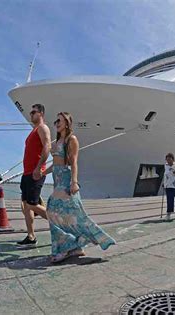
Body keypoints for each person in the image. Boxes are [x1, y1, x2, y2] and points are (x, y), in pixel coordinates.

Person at [43, 112, 116, 263]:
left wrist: (74, 182)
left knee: (52, 211)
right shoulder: (56, 142)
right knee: (69, 215)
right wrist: (43, 172)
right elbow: (56, 163)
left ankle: (66, 248)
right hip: (56, 179)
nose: (56, 123)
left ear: (67, 123)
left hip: (65, 180)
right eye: (56, 120)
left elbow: (73, 162)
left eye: (59, 120)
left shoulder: (71, 139)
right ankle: (76, 247)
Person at [17, 104, 51, 247]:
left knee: (32, 204)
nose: (31, 115)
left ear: (41, 114)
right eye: (30, 113)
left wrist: (38, 168)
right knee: (26, 205)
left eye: (33, 112)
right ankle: (31, 237)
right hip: (27, 173)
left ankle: (62, 224)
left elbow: (47, 146)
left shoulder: (43, 128)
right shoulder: (34, 131)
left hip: (35, 172)